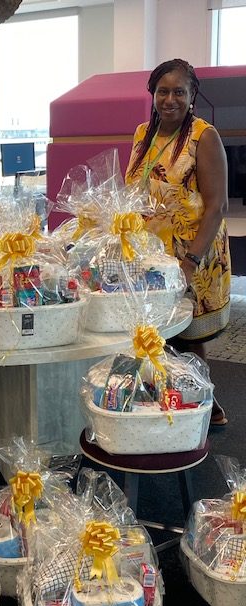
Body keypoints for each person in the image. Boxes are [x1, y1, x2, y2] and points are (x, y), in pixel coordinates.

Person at [125, 59, 231, 426]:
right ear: (152, 95)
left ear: (191, 96)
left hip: (192, 253)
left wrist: (190, 260)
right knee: (155, 332)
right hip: (151, 255)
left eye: (179, 92)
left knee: (188, 335)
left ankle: (204, 402)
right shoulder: (143, 135)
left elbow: (218, 205)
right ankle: (167, 398)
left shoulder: (205, 136)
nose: (170, 99)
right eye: (162, 91)